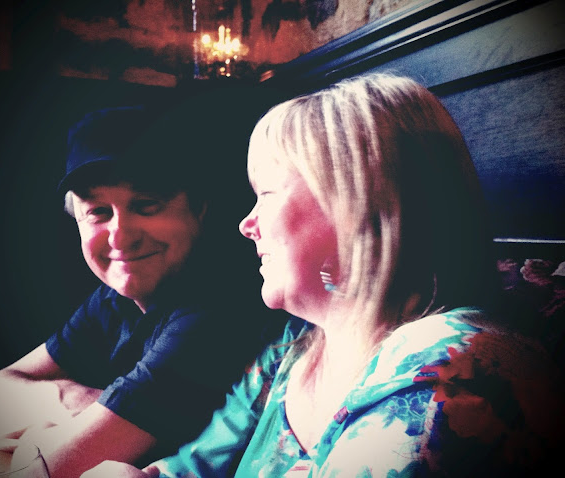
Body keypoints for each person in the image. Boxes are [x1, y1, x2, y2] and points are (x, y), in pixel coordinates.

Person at [82, 73, 564, 477]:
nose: (247, 224)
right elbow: (190, 467)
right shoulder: (293, 347)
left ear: (357, 202)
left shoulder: (448, 370)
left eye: (265, 194)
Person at [0, 102, 285, 477]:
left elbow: (54, 468)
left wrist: (51, 421)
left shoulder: (220, 307)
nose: (120, 237)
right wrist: (71, 399)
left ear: (199, 209)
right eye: (98, 212)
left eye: (146, 205)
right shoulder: (114, 298)